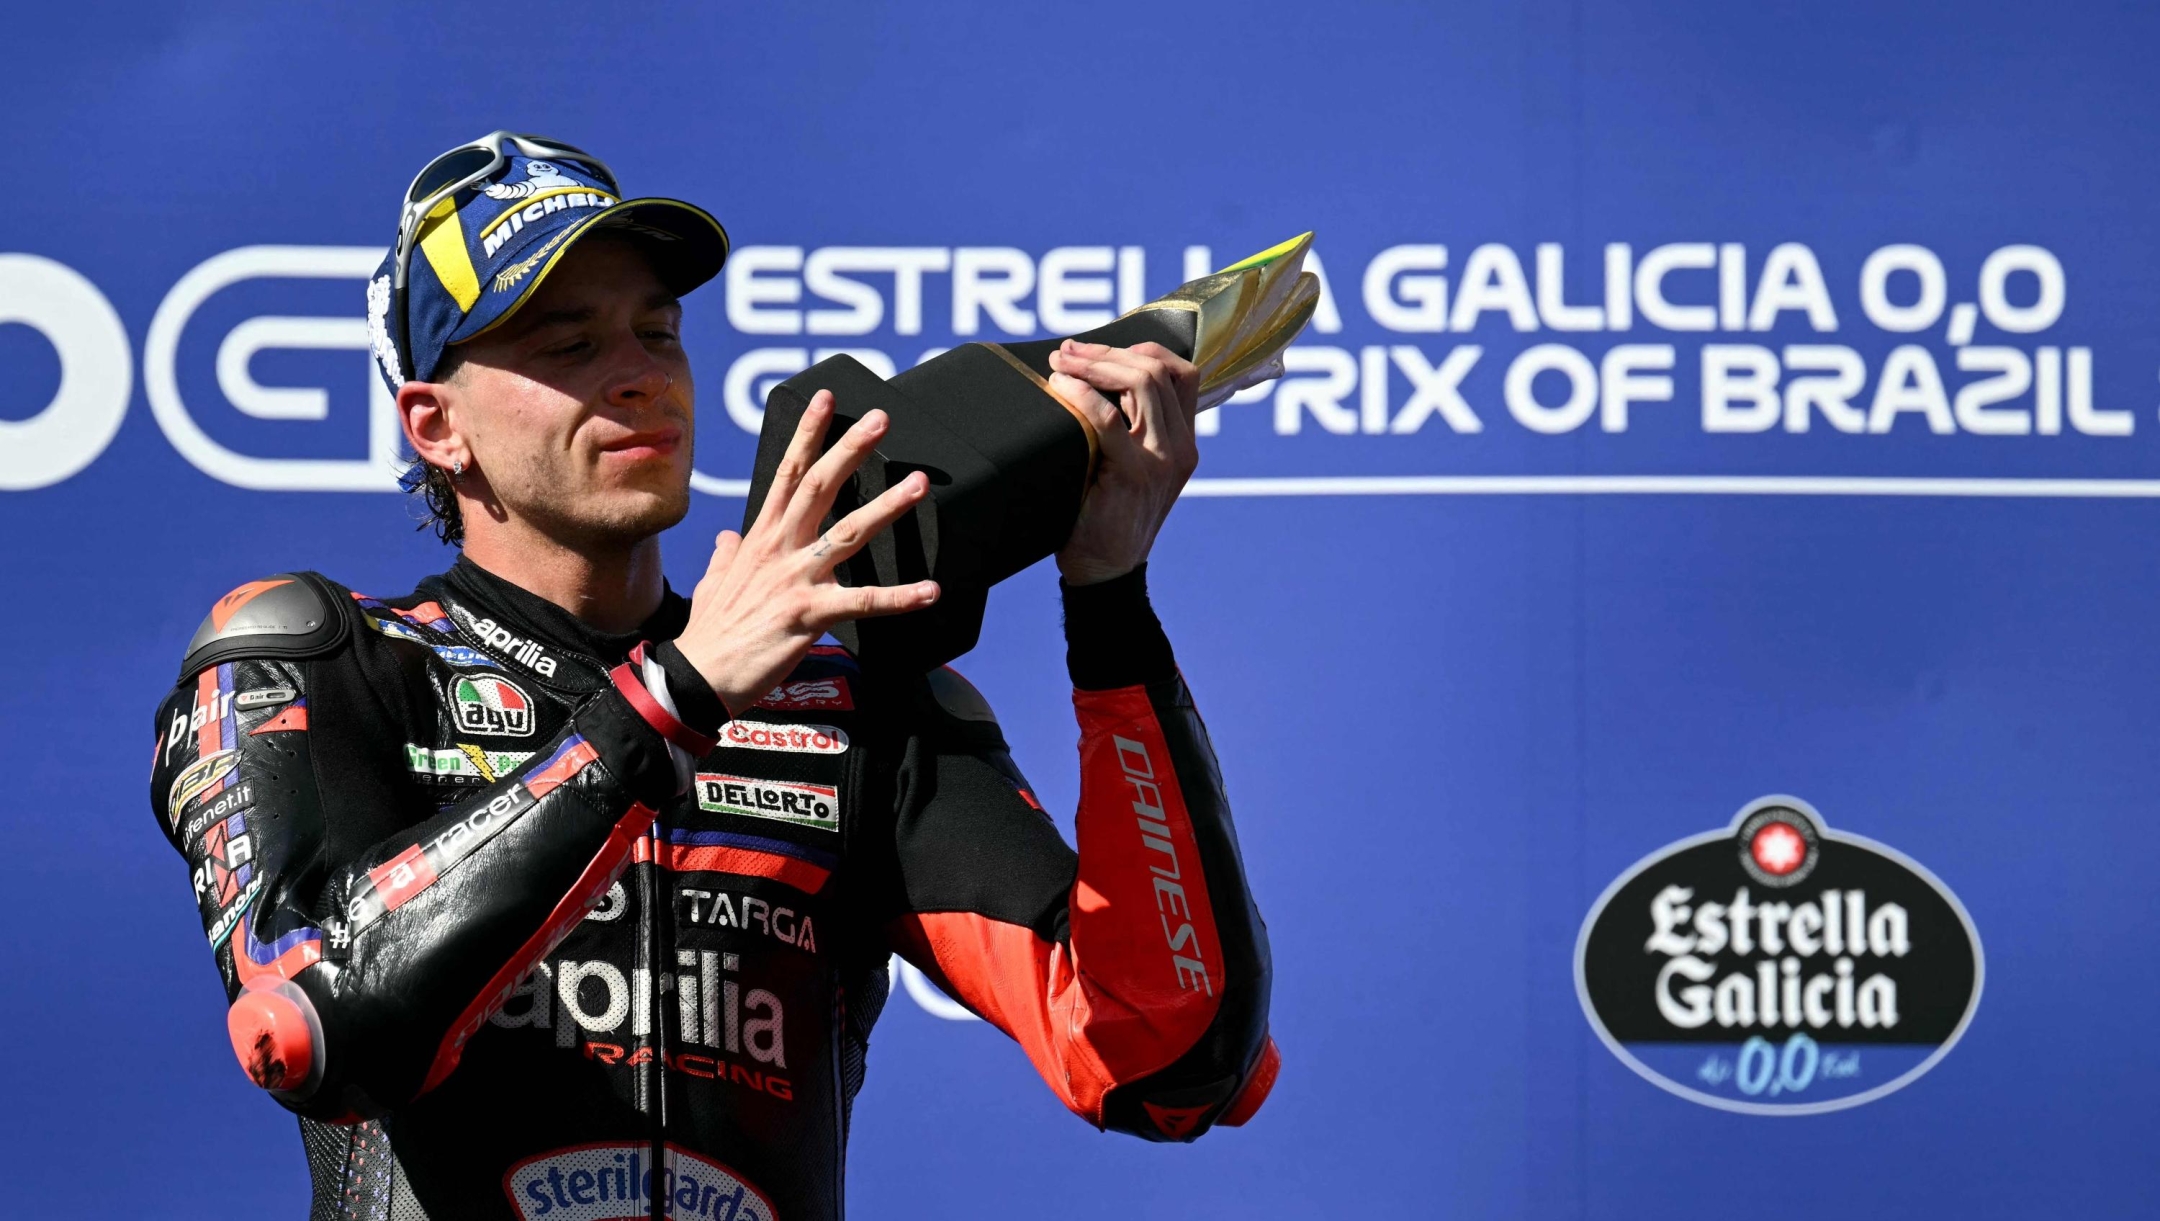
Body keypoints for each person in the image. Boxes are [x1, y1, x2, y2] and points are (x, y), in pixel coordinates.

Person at [148, 132, 1276, 1220]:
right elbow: (317, 1022)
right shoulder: (322, 660)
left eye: (658, 333)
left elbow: (1166, 1056)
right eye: (571, 347)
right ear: (437, 425)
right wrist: (674, 698)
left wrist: (1109, 603)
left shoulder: (845, 704)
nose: (641, 377)